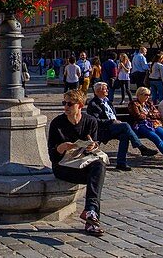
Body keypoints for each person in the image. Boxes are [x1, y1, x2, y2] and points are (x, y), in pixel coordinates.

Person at [47, 89, 108, 236]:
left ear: (80, 105)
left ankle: (91, 212)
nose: (66, 107)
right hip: (63, 167)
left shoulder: (90, 121)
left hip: (82, 163)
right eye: (64, 103)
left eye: (70, 104)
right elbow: (53, 157)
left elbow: (92, 148)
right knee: (96, 178)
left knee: (99, 165)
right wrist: (60, 148)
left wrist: (92, 146)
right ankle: (91, 216)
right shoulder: (57, 123)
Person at [85, 81, 159, 171]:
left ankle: (121, 163)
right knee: (125, 126)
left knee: (125, 135)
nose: (107, 90)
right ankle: (141, 148)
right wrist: (112, 121)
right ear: (97, 91)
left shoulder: (108, 102)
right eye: (105, 89)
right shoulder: (93, 104)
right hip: (104, 129)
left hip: (114, 127)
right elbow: (95, 121)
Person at [127, 87, 163, 168]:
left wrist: (148, 115)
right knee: (157, 139)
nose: (148, 97)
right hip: (141, 126)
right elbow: (138, 116)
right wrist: (150, 114)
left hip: (154, 124)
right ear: (139, 95)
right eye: (146, 95)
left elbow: (158, 114)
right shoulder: (133, 104)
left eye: (149, 95)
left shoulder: (149, 103)